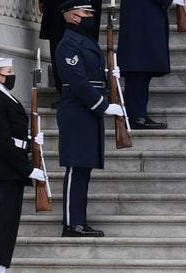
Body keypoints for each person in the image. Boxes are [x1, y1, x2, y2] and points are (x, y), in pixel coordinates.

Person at [56, 1, 126, 237]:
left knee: (84, 167)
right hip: (77, 110)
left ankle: (79, 220)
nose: (90, 16)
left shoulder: (85, 41)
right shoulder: (67, 44)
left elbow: (91, 75)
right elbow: (76, 81)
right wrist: (103, 105)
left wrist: (109, 75)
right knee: (76, 166)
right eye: (86, 13)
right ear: (73, 17)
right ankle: (71, 223)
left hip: (87, 110)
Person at [0, 57, 46, 273]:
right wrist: (26, 169)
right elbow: (1, 140)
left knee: (7, 227)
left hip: (8, 168)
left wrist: (30, 144)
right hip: (2, 168)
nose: (12, 75)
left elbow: (12, 135)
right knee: (0, 226)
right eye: (8, 72)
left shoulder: (4, 97)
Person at [118, 0, 176, 129]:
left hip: (142, 21)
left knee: (142, 71)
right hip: (142, 23)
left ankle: (140, 113)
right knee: (138, 71)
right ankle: (136, 115)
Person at [39, 0, 102, 93]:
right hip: (58, 8)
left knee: (87, 47)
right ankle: (64, 92)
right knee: (59, 43)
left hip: (82, 9)